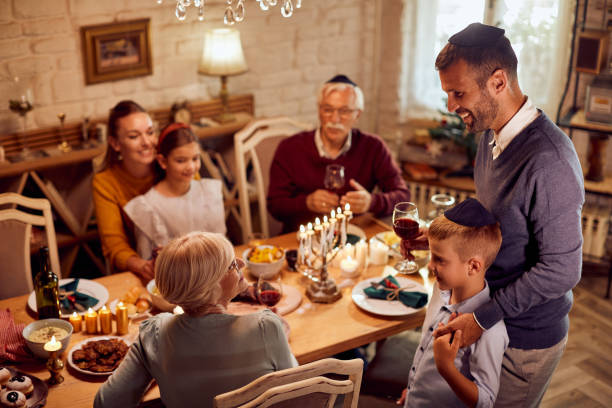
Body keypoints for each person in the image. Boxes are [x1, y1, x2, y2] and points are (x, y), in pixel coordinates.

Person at [404, 23, 584, 407]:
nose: (451, 106)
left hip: (524, 339)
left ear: (498, 82)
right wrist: (441, 237)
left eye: (458, 93)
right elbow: (498, 218)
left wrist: (485, 317)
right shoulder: (491, 135)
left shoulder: (549, 160)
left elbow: (563, 271)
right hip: (488, 320)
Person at [93, 232, 297, 408]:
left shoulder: (152, 334)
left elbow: (107, 403)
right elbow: (299, 393)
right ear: (209, 287)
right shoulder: (266, 327)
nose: (241, 263)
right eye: (231, 265)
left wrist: (160, 366)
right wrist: (275, 337)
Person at [399, 198, 507, 408]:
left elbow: (485, 402)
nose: (430, 265)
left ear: (474, 267)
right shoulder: (440, 291)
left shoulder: (491, 330)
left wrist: (446, 368)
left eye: (440, 259)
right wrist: (413, 389)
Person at [267, 74, 410, 232]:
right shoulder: (290, 148)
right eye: (328, 110)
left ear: (357, 115)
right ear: (319, 110)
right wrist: (306, 202)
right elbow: (274, 206)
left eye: (344, 111)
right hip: (302, 239)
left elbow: (403, 196)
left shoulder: (373, 147)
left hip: (354, 236)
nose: (334, 119)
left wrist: (372, 202)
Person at [123, 123, 225, 260]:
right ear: (163, 161)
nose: (191, 167)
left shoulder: (209, 192)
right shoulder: (147, 208)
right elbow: (148, 261)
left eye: (195, 158)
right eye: (181, 160)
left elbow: (222, 246)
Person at [92, 101, 158, 280]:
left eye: (150, 133)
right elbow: (114, 245)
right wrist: (143, 266)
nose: (147, 142)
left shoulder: (175, 164)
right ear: (115, 143)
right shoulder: (104, 182)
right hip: (137, 274)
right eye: (134, 136)